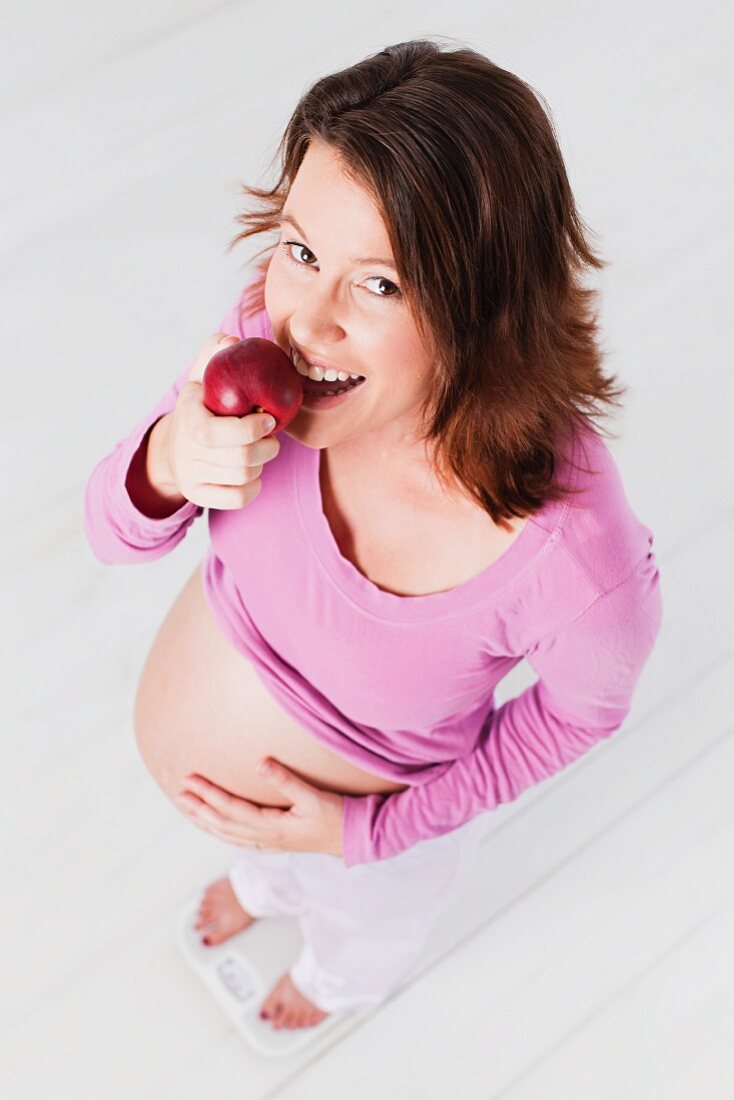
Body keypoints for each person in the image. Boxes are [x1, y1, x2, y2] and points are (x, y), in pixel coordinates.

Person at [84, 39, 664, 1031]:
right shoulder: (263, 355)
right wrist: (166, 463)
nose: (302, 320)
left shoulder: (573, 557)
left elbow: (578, 715)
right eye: (301, 250)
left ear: (488, 314)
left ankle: (340, 974)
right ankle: (271, 883)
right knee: (273, 859)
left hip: (378, 844)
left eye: (379, 285)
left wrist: (363, 830)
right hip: (258, 814)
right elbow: (111, 533)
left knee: (361, 925)